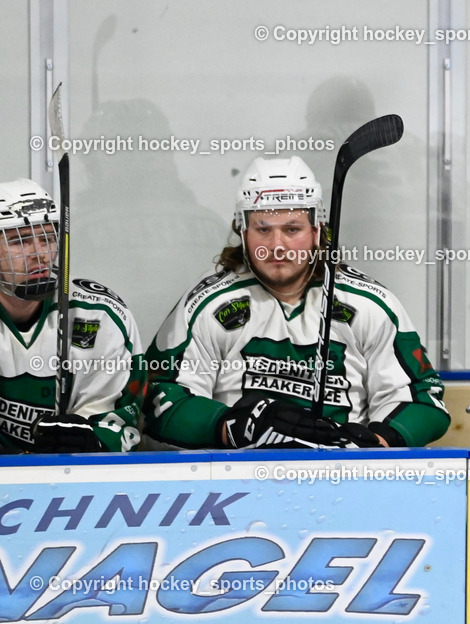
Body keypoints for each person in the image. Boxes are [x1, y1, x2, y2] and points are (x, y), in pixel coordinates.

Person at [143, 156, 449, 449]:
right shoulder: (209, 306)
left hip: (349, 479)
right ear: (243, 230)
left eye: (292, 229)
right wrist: (232, 426)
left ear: (317, 231)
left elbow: (423, 397)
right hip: (237, 483)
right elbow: (160, 397)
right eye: (263, 229)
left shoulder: (368, 305)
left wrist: (379, 440)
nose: (277, 246)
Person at [0, 179, 144, 453]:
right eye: (21, 241)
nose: (40, 255)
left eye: (47, 239)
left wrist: (95, 439)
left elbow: (122, 417)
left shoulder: (98, 315)